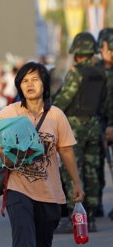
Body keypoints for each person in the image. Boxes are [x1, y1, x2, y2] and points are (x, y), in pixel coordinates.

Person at [0, 62, 84, 247]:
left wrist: (77, 183)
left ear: (45, 84)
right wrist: (1, 153)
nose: (30, 85)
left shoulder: (56, 115)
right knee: (22, 231)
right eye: (25, 80)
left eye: (35, 79)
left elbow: (67, 151)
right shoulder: (11, 111)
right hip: (18, 185)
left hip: (50, 189)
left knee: (45, 238)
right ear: (19, 85)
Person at [53, 32, 106, 233]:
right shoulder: (100, 73)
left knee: (72, 170)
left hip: (74, 127)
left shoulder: (76, 73)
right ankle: (90, 215)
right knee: (92, 171)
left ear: (77, 52)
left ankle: (74, 215)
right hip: (94, 125)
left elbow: (64, 99)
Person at [98, 29, 113, 221]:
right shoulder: (98, 69)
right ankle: (96, 203)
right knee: (96, 166)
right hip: (99, 122)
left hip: (108, 124)